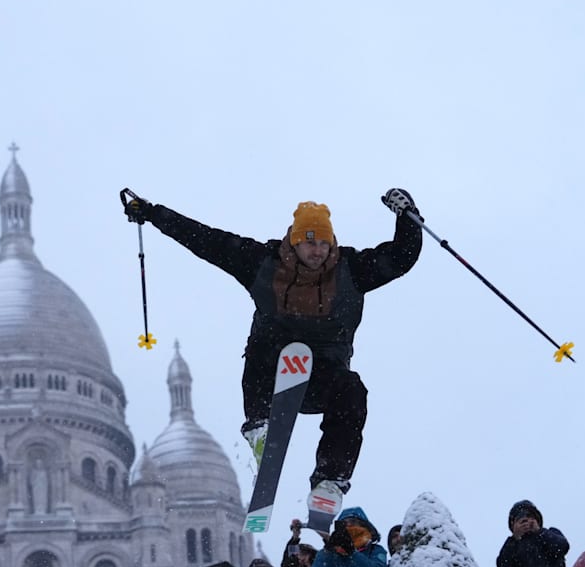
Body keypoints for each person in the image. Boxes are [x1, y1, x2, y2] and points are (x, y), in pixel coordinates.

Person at [123, 190, 423, 496]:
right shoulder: (262, 263)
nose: (317, 251)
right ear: (294, 241)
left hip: (323, 381)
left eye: (323, 243)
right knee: (263, 341)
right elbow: (206, 240)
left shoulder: (352, 269)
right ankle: (260, 428)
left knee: (352, 388)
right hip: (273, 376)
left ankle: (330, 480)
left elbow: (401, 256)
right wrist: (153, 213)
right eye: (309, 241)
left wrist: (408, 215)